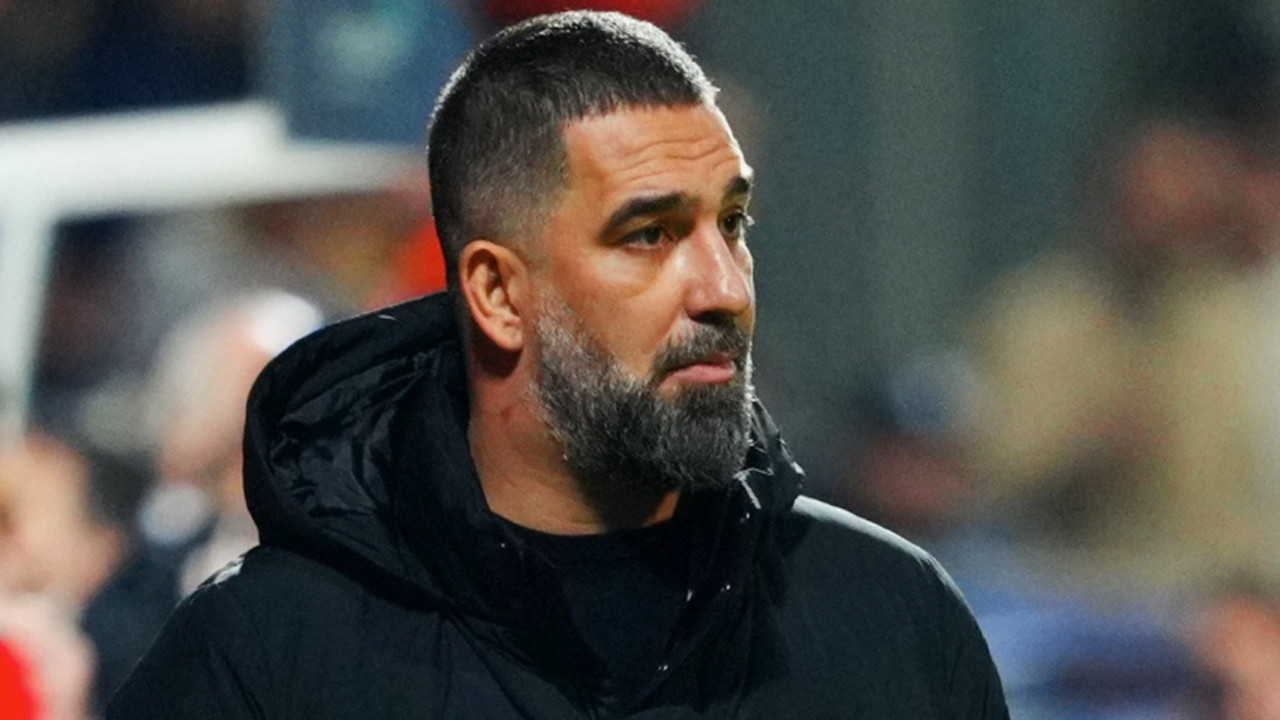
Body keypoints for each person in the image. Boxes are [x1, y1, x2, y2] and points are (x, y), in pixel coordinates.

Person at [108, 11, 1008, 718]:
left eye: (732, 224)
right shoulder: (266, 659)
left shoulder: (894, 618)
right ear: (498, 293)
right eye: (649, 234)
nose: (725, 288)